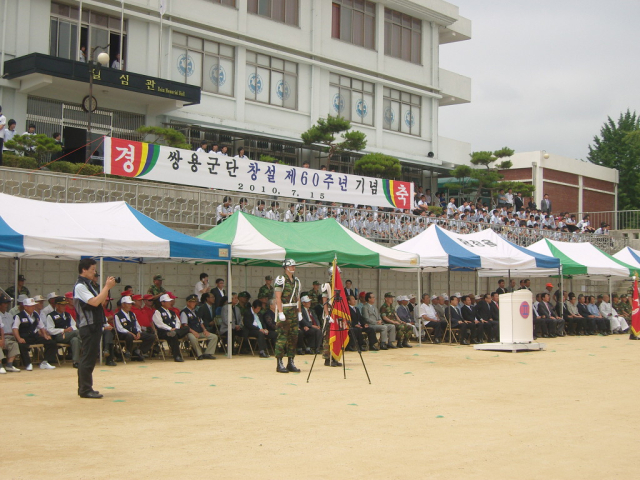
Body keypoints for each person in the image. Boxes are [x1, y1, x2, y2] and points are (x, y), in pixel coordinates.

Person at [73, 259, 117, 398]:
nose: (94, 272)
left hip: (95, 324)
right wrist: (106, 287)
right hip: (88, 325)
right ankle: (85, 389)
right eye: (92, 269)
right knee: (87, 357)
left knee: (90, 357)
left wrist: (105, 290)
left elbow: (101, 302)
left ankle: (85, 387)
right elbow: (94, 302)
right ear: (84, 270)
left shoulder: (89, 285)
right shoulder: (80, 286)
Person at [12, 298, 57, 371]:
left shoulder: (35, 314)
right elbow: (15, 328)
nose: (33, 307)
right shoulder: (19, 316)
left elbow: (41, 326)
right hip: (24, 337)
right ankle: (28, 364)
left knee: (51, 342)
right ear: (25, 307)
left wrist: (45, 335)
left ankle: (45, 362)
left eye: (33, 306)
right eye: (31, 306)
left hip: (34, 336)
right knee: (22, 346)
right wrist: (19, 338)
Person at [274, 259, 302, 373]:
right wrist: (280, 312)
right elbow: (278, 297)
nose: (293, 268)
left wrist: (299, 312)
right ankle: (279, 363)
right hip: (285, 309)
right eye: (291, 266)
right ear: (286, 267)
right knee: (282, 337)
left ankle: (291, 361)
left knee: (293, 337)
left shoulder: (297, 281)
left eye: (294, 266)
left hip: (294, 310)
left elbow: (298, 297)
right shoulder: (281, 279)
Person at [114, 296, 155, 361]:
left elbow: (137, 325)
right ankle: (128, 351)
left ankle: (139, 351)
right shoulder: (117, 315)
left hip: (134, 332)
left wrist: (138, 332)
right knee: (129, 336)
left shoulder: (132, 314)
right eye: (128, 304)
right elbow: (120, 328)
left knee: (151, 336)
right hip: (124, 334)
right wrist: (130, 333)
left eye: (131, 304)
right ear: (123, 304)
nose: (130, 306)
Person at [44, 296, 81, 368]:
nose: (64, 306)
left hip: (69, 335)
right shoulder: (50, 316)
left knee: (75, 340)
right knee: (77, 332)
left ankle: (75, 361)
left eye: (65, 305)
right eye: (62, 305)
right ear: (57, 305)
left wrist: (70, 329)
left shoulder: (68, 315)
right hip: (58, 336)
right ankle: (86, 348)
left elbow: (74, 325)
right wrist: (63, 330)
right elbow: (50, 330)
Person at [152, 294, 188, 362]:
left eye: (170, 301)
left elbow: (178, 321)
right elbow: (159, 324)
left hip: (174, 331)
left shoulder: (172, 312)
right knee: (173, 335)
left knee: (186, 328)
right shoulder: (158, 312)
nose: (170, 303)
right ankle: (177, 356)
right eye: (168, 301)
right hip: (164, 332)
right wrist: (170, 329)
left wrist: (176, 328)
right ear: (162, 302)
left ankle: (176, 333)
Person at [182, 294, 217, 360]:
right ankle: (199, 354)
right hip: (190, 332)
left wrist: (204, 330)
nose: (194, 303)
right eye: (192, 302)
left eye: (195, 302)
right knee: (193, 338)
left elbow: (201, 322)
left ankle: (208, 353)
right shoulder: (184, 312)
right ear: (188, 302)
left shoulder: (196, 311)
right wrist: (193, 332)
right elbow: (185, 325)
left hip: (199, 331)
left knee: (214, 337)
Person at [0, 295, 20, 373]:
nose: (6, 305)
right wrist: (2, 339)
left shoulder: (10, 315)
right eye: (4, 304)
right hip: (2, 336)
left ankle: (9, 365)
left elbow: (13, 328)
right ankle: (0, 366)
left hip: (10, 336)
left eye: (7, 303)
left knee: (14, 344)